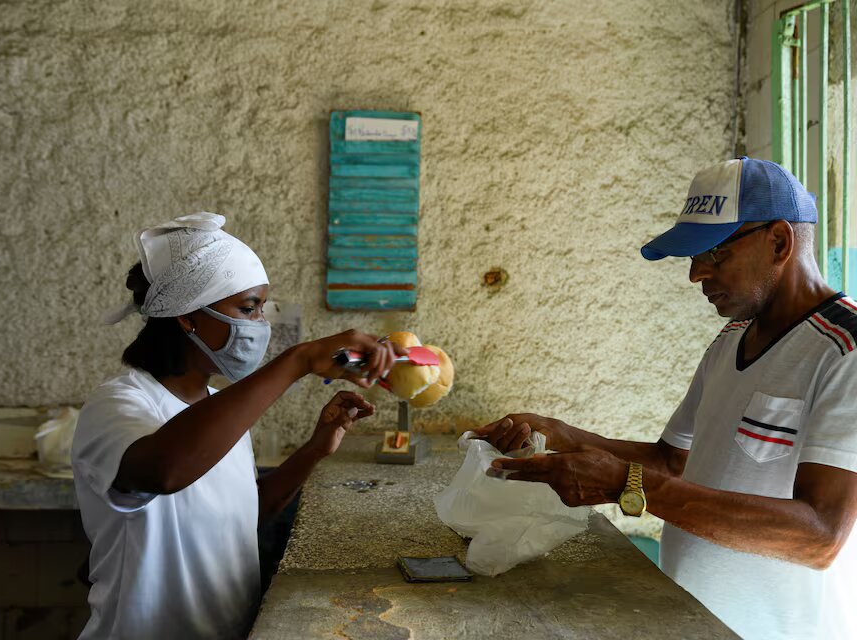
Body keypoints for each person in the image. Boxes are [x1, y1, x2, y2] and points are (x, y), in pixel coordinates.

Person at [475, 157, 857, 640]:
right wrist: (562, 435)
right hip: (692, 618)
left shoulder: (844, 352)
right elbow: (672, 462)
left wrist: (628, 484)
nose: (696, 274)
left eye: (714, 253)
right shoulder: (731, 339)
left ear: (779, 241)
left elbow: (819, 537)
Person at [71, 212, 404, 640]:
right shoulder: (118, 404)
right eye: (248, 308)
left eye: (262, 308)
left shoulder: (217, 408)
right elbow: (163, 471)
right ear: (187, 316)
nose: (259, 325)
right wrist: (298, 361)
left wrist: (313, 451)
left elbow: (245, 517)